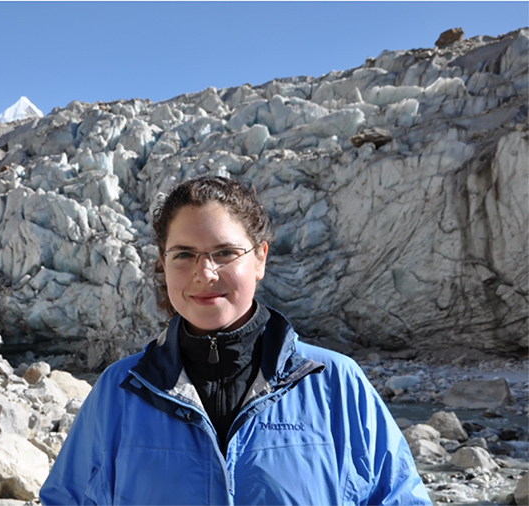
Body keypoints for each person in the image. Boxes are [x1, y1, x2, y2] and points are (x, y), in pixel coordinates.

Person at [40, 175, 431, 505]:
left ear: (259, 258)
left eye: (224, 252)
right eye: (183, 255)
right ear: (163, 261)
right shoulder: (120, 391)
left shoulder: (333, 383)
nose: (205, 273)